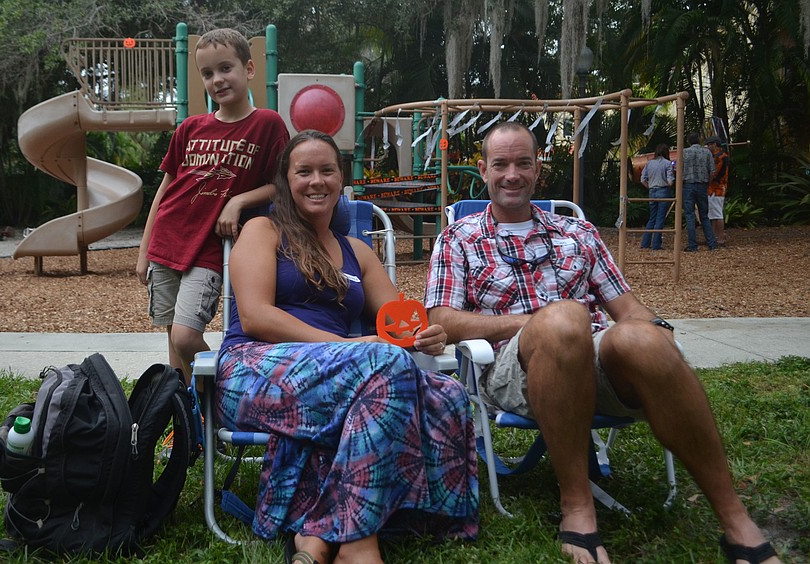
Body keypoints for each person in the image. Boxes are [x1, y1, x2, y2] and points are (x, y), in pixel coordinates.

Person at [425, 122, 780, 564]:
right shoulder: (458, 238)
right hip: (513, 370)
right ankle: (577, 505)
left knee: (641, 339)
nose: (511, 174)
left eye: (522, 163)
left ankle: (736, 522)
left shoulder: (579, 233)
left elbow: (628, 309)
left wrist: (657, 336)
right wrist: (534, 321)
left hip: (593, 359)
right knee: (565, 318)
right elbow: (441, 317)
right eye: (500, 164)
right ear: (483, 170)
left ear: (539, 169)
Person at [215, 130, 479, 564]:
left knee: (446, 392)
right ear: (286, 180)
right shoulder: (263, 230)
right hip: (254, 366)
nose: (316, 180)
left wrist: (427, 333)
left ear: (341, 180)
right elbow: (256, 316)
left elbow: (401, 324)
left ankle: (316, 537)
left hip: (338, 373)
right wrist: (343, 346)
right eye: (304, 171)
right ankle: (358, 543)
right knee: (381, 364)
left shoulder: (358, 250)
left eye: (327, 170)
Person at [136, 28, 289, 384]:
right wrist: (144, 250)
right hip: (167, 242)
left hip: (208, 249)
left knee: (186, 336)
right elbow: (165, 191)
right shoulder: (189, 128)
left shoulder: (266, 124)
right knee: (172, 342)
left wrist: (238, 200)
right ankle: (184, 418)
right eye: (207, 73)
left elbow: (281, 185)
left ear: (248, 69)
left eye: (225, 68)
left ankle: (233, 388)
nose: (217, 79)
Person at [682, 132, 717, 252]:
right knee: (704, 215)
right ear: (699, 140)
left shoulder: (684, 152)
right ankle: (711, 244)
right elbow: (712, 171)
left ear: (688, 142)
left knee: (690, 215)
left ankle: (692, 245)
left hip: (688, 185)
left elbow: (678, 169)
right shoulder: (707, 152)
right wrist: (707, 182)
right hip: (702, 184)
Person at [639, 143, 675, 250]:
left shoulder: (649, 163)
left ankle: (645, 243)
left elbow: (642, 179)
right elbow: (670, 182)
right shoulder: (668, 163)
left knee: (652, 218)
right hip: (663, 191)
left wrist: (650, 186)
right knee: (660, 218)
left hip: (652, 191)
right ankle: (656, 244)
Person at [707, 135, 730, 247]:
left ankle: (720, 238)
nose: (708, 147)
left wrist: (708, 179)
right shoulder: (719, 156)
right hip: (715, 189)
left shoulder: (720, 157)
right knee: (714, 214)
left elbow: (715, 174)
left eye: (709, 145)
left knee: (717, 214)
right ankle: (714, 236)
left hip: (717, 188)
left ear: (714, 145)